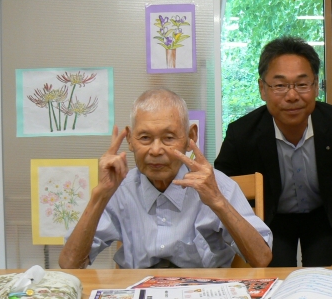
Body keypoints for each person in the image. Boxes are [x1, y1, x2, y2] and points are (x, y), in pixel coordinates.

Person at [59, 88, 273, 269]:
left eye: (168, 138)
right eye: (145, 138)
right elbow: (69, 264)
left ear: (190, 137)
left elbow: (261, 258)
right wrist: (100, 195)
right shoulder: (119, 189)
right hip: (137, 294)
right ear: (130, 139)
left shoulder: (216, 185)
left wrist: (217, 201)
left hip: (204, 292)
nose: (155, 150)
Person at [215, 36, 332, 267]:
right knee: (274, 272)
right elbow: (221, 184)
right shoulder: (242, 134)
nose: (292, 96)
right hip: (272, 217)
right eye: (280, 85)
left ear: (316, 86)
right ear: (263, 89)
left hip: (325, 215)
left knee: (325, 274)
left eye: (302, 84)